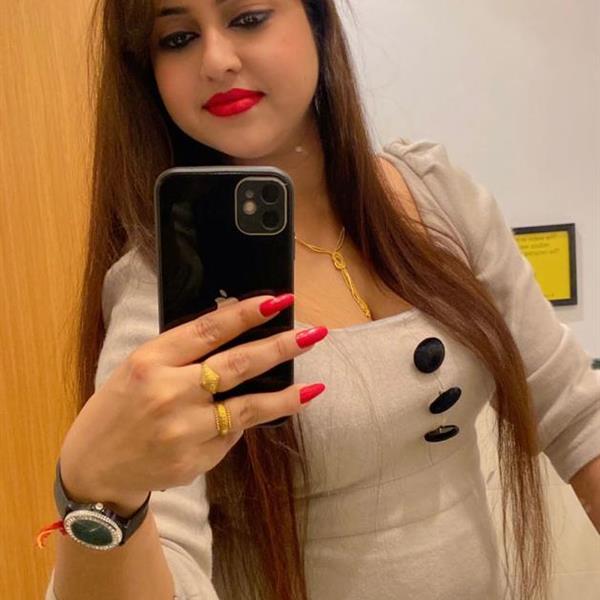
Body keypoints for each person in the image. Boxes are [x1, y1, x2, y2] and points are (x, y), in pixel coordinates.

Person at [41, 1, 600, 599]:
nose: (217, 61)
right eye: (176, 39)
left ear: (317, 21)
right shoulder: (166, 287)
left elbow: (576, 413)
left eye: (248, 17)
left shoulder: (434, 196)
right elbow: (167, 551)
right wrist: (100, 492)